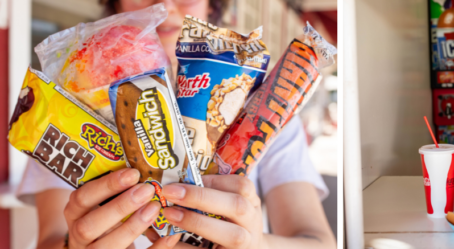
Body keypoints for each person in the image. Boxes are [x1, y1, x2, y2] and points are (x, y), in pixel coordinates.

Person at [17, 0, 335, 248]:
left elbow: (318, 241)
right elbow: (50, 239)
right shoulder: (72, 113)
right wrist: (74, 244)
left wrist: (258, 244)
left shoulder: (261, 112)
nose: (165, 4)